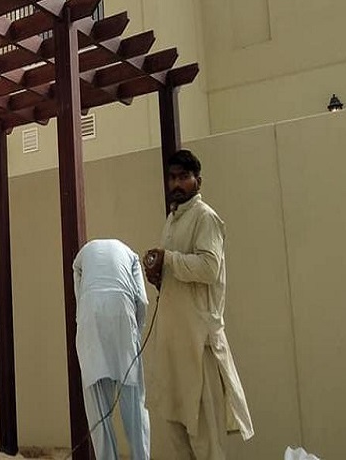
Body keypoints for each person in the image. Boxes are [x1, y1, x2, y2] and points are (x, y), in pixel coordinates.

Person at [144, 149, 254, 459]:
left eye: (184, 177)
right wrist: (158, 274)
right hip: (174, 345)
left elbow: (208, 268)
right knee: (176, 434)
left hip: (199, 346)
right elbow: (177, 273)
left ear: (198, 181)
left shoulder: (205, 218)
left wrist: (169, 259)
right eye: (172, 177)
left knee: (205, 439)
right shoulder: (173, 219)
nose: (177, 184)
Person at [73, 238, 150, 460]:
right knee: (134, 404)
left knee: (98, 407)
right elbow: (142, 301)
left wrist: (82, 318)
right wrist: (136, 333)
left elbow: (79, 289)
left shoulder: (82, 257)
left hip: (90, 319)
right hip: (123, 316)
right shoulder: (131, 254)